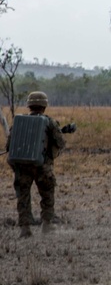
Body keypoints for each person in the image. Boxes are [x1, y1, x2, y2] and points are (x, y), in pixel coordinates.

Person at [5, 91, 66, 237]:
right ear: (44, 105)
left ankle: (25, 228)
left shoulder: (18, 122)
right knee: (47, 195)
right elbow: (60, 142)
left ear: (29, 105)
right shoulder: (49, 122)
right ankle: (47, 225)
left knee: (23, 197)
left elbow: (9, 146)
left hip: (21, 167)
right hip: (42, 167)